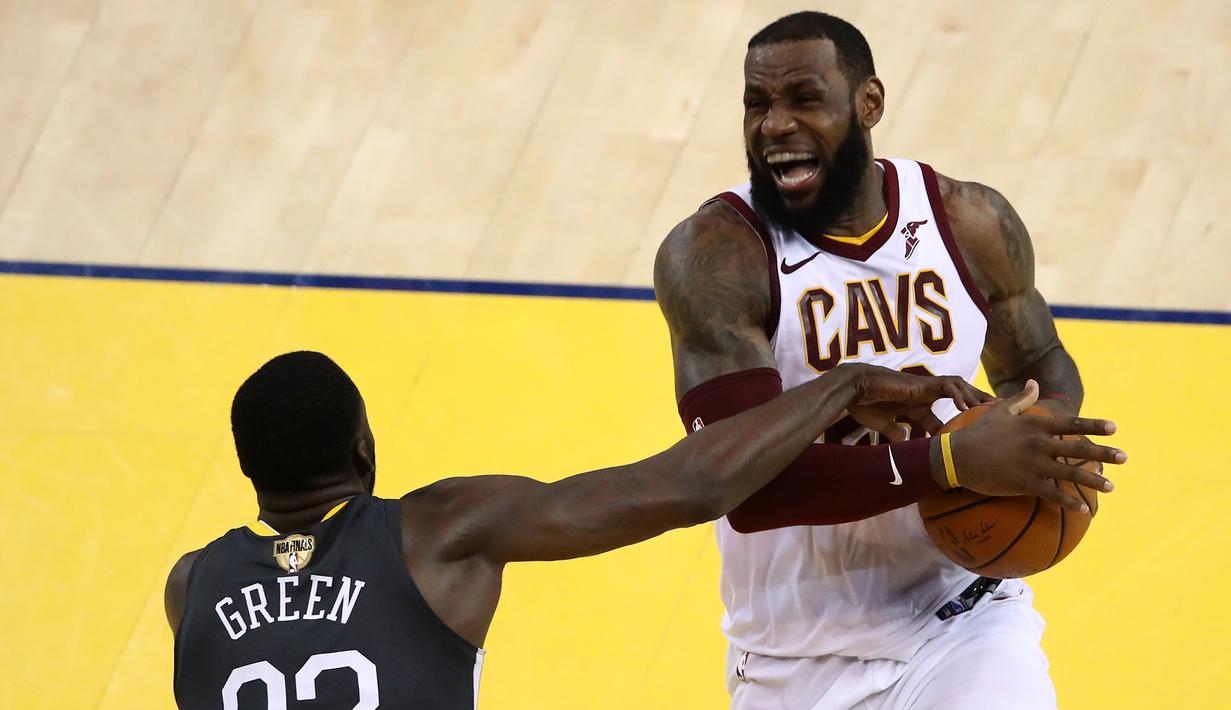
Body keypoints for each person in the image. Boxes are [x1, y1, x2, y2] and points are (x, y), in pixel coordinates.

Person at [167, 351, 1116, 709]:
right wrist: (843, 385)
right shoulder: (436, 532)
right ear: (366, 451)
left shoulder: (190, 588)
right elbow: (689, 485)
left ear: (248, 474)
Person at [653, 10, 1127, 709]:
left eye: (803, 99)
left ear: (867, 103)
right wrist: (951, 463)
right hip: (793, 654)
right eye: (757, 104)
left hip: (963, 622)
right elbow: (741, 490)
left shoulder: (968, 221)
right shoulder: (720, 255)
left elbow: (1039, 357)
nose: (773, 125)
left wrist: (1039, 439)